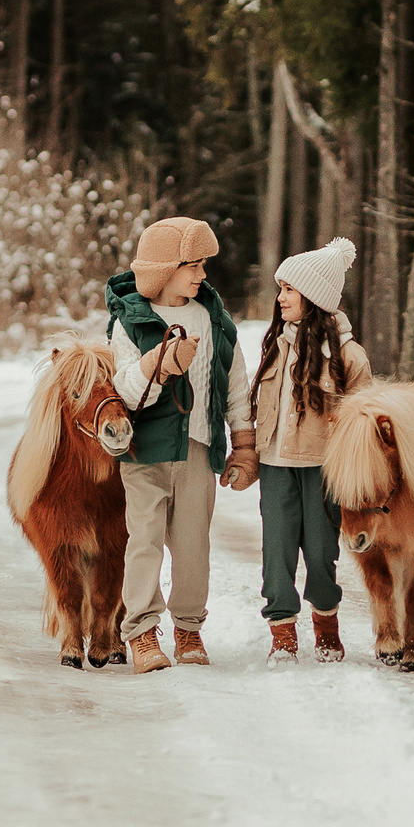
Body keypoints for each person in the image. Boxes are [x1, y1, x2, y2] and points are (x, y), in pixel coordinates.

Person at [105, 217, 257, 673]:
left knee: (193, 546)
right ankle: (142, 633)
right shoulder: (129, 322)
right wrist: (162, 363)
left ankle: (189, 629)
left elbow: (234, 382)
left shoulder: (212, 318)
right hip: (145, 452)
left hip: (197, 449)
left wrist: (243, 443)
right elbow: (127, 391)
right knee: (144, 542)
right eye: (193, 265)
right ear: (164, 269)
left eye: (203, 265)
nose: (201, 275)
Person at [252, 237, 373, 664]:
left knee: (322, 554)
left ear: (314, 297)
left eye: (289, 289)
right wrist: (249, 456)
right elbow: (261, 410)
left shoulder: (349, 355)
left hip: (324, 470)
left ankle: (326, 624)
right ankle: (282, 632)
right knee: (277, 552)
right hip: (275, 466)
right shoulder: (275, 346)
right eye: (280, 288)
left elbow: (364, 425)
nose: (280, 298)